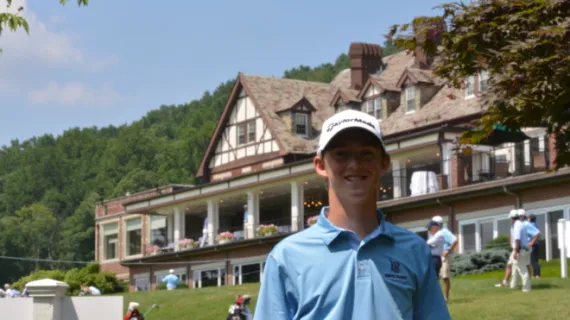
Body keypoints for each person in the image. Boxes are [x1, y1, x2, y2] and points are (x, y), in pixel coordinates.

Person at [254, 109, 450, 320]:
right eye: (341, 154)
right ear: (320, 165)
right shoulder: (287, 257)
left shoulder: (413, 250)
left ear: (384, 163)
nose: (355, 165)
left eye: (366, 153)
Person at [431, 215, 458, 303]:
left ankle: (445, 298)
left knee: (445, 277)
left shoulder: (444, 232)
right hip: (437, 257)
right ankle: (437, 298)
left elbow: (455, 240)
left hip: (444, 257)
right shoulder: (435, 234)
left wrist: (448, 250)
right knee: (436, 277)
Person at [495, 209, 518, 288]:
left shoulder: (517, 225)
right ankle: (506, 281)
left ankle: (510, 283)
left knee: (512, 266)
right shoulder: (514, 226)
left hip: (517, 249)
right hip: (515, 248)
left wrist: (516, 249)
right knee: (511, 265)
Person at [510, 209, 531, 292]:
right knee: (514, 266)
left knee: (522, 269)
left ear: (512, 218)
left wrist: (516, 251)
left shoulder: (517, 225)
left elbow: (517, 240)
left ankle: (526, 287)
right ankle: (513, 285)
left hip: (520, 249)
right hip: (524, 249)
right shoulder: (521, 224)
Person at [528, 213, 542, 278]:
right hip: (536, 244)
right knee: (535, 260)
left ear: (530, 219)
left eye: (528, 218)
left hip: (533, 244)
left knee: (533, 260)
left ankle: (536, 275)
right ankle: (535, 274)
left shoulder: (531, 225)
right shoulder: (535, 224)